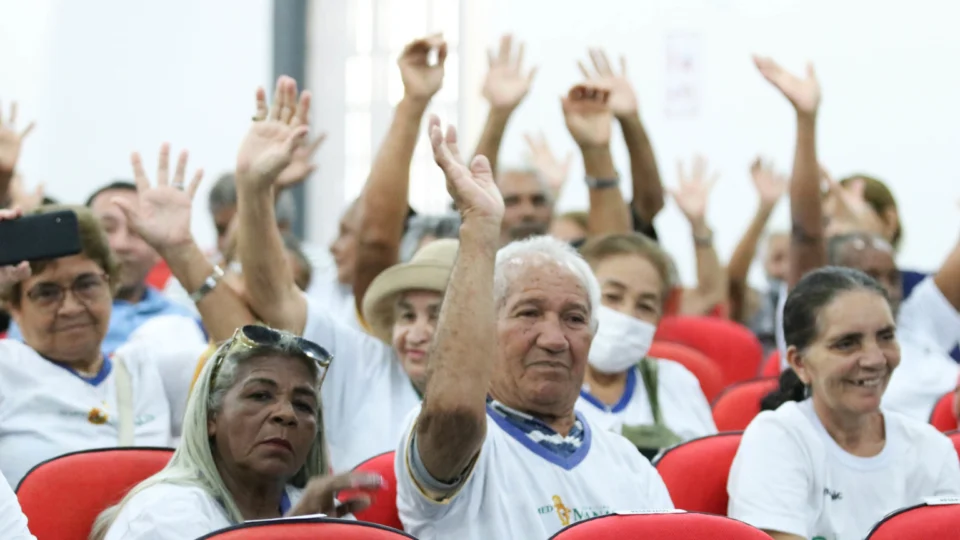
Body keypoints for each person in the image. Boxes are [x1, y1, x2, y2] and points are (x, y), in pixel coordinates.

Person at [395, 116, 673, 539]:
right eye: (529, 313)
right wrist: (479, 227)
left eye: (574, 319)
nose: (554, 339)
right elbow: (454, 410)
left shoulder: (628, 463)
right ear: (485, 329)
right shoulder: (464, 445)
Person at [229, 74, 452, 472]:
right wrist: (255, 188)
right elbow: (275, 296)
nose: (416, 333)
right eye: (406, 315)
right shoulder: (364, 366)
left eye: (437, 316)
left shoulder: (508, 398)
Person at [728, 267, 960, 540]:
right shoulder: (777, 439)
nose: (875, 359)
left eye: (885, 336)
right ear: (799, 363)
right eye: (847, 343)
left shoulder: (931, 449)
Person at [92, 325, 384, 540]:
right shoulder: (162, 513)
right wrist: (292, 534)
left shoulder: (320, 511)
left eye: (303, 405)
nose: (286, 414)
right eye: (260, 396)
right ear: (211, 417)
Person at [0, 205, 172, 487]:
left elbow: (244, 356)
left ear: (111, 285)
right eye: (46, 293)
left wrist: (182, 250)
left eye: (86, 284)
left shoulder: (149, 370)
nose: (70, 308)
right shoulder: (6, 369)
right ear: (14, 306)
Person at [4, 180, 206, 354]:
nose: (121, 244)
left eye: (137, 231)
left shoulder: (182, 321)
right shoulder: (31, 314)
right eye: (106, 228)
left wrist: (184, 249)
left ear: (157, 250)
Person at [575, 233, 716, 459]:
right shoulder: (540, 386)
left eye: (645, 306)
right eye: (612, 296)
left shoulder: (675, 383)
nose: (627, 314)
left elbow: (709, 467)